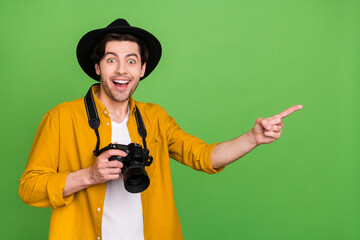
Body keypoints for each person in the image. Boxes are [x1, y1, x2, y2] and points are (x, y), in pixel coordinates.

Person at [19, 19, 302, 240]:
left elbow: (203, 156)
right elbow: (29, 189)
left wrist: (252, 138)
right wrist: (90, 175)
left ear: (142, 69)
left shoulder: (154, 118)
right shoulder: (61, 117)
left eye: (131, 60)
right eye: (111, 59)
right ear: (97, 67)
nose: (121, 70)